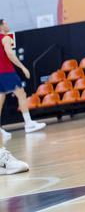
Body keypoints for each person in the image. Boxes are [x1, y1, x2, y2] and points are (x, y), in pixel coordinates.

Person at [1, 18, 43, 175]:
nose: (7, 24)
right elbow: (10, 54)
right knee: (21, 94)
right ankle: (28, 123)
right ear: (1, 25)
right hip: (7, 73)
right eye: (5, 22)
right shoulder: (5, 38)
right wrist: (23, 67)